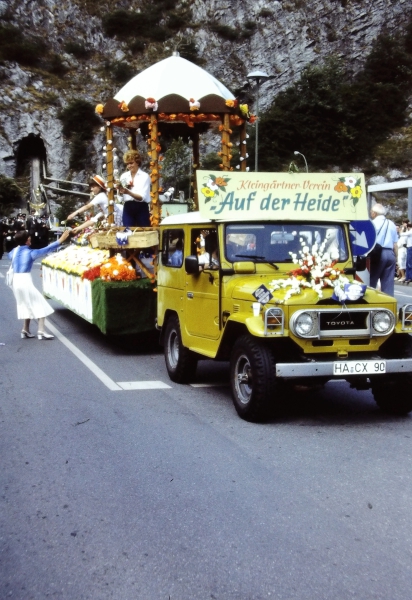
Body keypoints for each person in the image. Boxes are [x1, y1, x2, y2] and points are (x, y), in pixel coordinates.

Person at [8, 228, 71, 339]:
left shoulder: (14, 252)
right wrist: (60, 240)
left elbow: (10, 255)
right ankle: (41, 331)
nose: (30, 239)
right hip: (25, 280)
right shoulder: (30, 253)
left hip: (15, 281)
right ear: (27, 240)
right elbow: (46, 249)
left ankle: (25, 329)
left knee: (26, 304)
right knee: (40, 303)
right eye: (29, 238)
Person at [369, 203, 398, 296]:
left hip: (377, 253)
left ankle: (371, 304)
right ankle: (388, 307)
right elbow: (395, 244)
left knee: (371, 281)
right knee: (388, 283)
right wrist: (396, 258)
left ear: (374, 213)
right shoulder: (392, 224)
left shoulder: (372, 223)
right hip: (390, 253)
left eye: (371, 212)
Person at [117, 150, 151, 227]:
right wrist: (119, 190)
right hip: (128, 207)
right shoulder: (124, 176)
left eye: (131, 163)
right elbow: (120, 198)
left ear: (137, 162)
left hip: (141, 207)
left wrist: (128, 192)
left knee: (144, 231)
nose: (129, 166)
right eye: (127, 164)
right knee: (127, 231)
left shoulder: (144, 176)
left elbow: (142, 197)